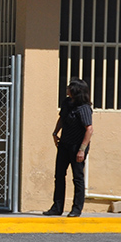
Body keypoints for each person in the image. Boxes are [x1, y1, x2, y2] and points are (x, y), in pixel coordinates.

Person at [44, 78, 94, 218]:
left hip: (77, 146)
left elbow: (89, 129)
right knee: (59, 175)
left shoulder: (83, 108)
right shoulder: (67, 103)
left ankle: (76, 208)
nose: (67, 90)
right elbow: (62, 118)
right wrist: (55, 133)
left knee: (77, 177)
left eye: (70, 88)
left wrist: (82, 150)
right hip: (64, 144)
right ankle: (57, 207)